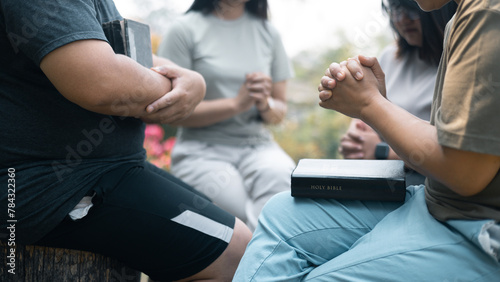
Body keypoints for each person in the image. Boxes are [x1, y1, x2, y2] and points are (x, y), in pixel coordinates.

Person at [233, 0, 500, 280]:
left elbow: (464, 172)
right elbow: (456, 141)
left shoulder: (485, 15)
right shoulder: (459, 18)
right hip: (436, 202)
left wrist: (371, 105)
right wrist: (379, 107)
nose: (402, 17)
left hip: (475, 227)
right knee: (280, 212)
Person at [0, 0, 252, 281]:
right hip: (51, 185)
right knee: (237, 254)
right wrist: (176, 87)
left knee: (230, 232)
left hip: (108, 170)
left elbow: (136, 59)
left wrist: (193, 80)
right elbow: (101, 82)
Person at [157, 0, 296, 230]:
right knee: (239, 219)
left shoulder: (269, 33)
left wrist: (264, 103)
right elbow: (170, 112)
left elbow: (279, 112)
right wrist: (235, 104)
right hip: (201, 150)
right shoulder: (183, 30)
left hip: (259, 147)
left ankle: (260, 261)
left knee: (282, 194)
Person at [339, 0, 456, 167]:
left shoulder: (457, 62)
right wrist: (357, 140)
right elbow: (369, 116)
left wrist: (381, 151)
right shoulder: (390, 56)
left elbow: (454, 155)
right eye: (395, 10)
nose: (402, 20)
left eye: (411, 11)